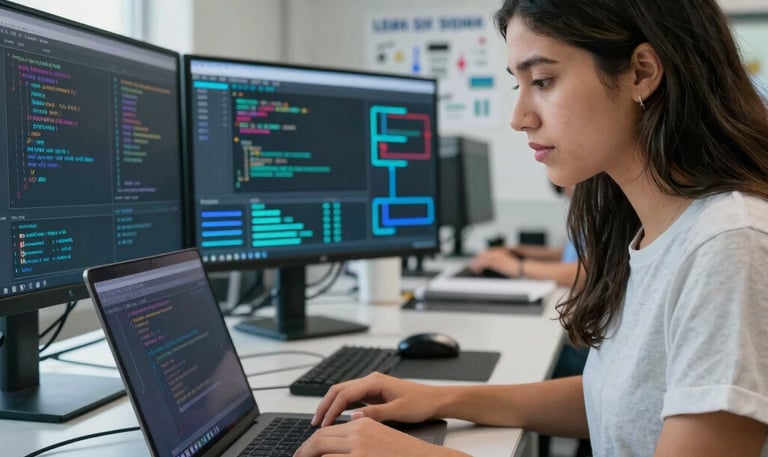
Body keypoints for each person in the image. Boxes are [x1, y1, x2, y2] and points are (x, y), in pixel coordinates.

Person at [295, 1, 768, 456]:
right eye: (518, 85)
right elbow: (620, 401)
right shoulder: (648, 231)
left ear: (641, 72)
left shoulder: (729, 244)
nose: (520, 118)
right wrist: (439, 399)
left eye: (542, 80)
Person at [469, 184, 582, 288]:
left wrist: (516, 267)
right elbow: (570, 253)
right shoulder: (587, 214)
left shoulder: (598, 211)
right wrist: (518, 251)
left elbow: (586, 274)